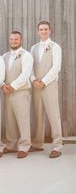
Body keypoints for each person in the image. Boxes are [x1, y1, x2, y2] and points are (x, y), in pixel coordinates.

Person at [30, 21, 62, 158]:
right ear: (38, 31)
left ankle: (57, 146)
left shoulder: (55, 47)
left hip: (49, 85)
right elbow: (30, 67)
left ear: (50, 31)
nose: (43, 31)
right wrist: (33, 80)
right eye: (41, 29)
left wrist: (43, 81)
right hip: (36, 85)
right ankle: (38, 143)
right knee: (38, 114)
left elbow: (56, 68)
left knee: (53, 115)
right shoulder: (33, 48)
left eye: (45, 29)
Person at [1, 31, 33, 159]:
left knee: (23, 119)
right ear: (9, 40)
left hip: (20, 91)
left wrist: (12, 86)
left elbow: (25, 74)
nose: (13, 41)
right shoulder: (4, 56)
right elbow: (0, 73)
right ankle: (11, 145)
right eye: (12, 39)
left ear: (21, 40)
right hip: (7, 91)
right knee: (9, 120)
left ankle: (24, 146)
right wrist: (3, 85)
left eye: (16, 39)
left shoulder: (26, 55)